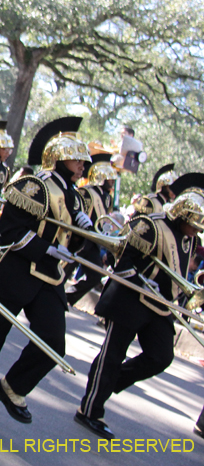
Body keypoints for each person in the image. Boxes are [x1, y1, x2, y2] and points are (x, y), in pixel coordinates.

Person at [0, 117, 91, 427]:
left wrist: (81, 235)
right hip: (16, 271)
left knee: (53, 341)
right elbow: (11, 229)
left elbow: (69, 240)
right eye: (77, 159)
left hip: (50, 277)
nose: (82, 165)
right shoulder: (35, 185)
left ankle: (12, 387)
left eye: (83, 161)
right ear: (60, 158)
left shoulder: (75, 195)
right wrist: (45, 249)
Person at [75, 174, 204, 439]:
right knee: (112, 355)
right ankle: (90, 410)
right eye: (193, 225)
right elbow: (122, 263)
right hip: (130, 299)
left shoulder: (189, 239)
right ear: (181, 216)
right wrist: (144, 282)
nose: (196, 231)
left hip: (160, 306)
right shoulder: (150, 225)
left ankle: (108, 382)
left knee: (161, 357)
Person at [66, 152, 118, 306]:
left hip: (94, 242)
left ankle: (67, 297)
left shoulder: (107, 197)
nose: (112, 181)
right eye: (109, 178)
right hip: (82, 238)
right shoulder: (87, 192)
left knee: (95, 276)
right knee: (65, 270)